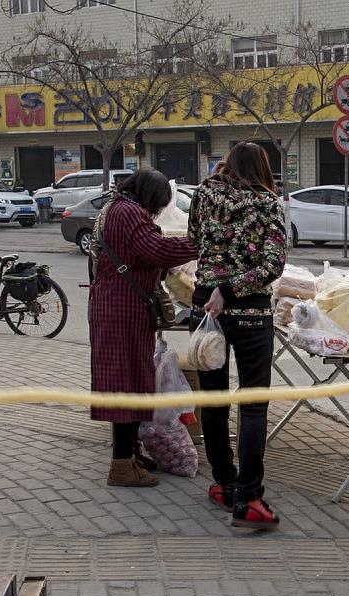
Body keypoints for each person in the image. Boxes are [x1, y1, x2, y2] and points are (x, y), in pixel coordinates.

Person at [188, 141, 288, 530]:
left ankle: (224, 483)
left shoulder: (203, 193)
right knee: (253, 403)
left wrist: (217, 284)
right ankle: (248, 497)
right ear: (263, 167)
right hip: (248, 309)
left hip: (205, 308)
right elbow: (273, 263)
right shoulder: (267, 203)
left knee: (213, 398)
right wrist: (231, 289)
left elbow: (196, 240)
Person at [88, 168, 197, 487]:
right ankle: (121, 465)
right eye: (158, 205)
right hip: (121, 307)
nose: (157, 211)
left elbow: (145, 251)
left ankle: (129, 454)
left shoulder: (118, 207)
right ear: (149, 195)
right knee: (127, 385)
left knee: (130, 381)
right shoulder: (128, 212)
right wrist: (198, 245)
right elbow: (155, 250)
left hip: (117, 304)